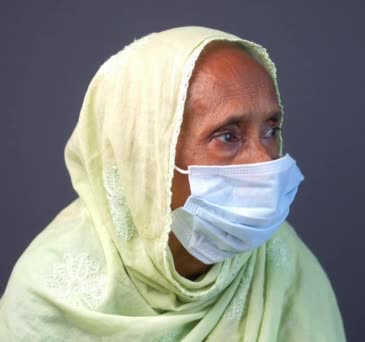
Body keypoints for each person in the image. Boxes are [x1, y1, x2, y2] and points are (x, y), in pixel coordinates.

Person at [0, 26, 345, 341]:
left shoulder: (282, 264)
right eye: (228, 136)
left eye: (271, 131)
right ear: (147, 157)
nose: (265, 161)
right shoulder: (50, 294)